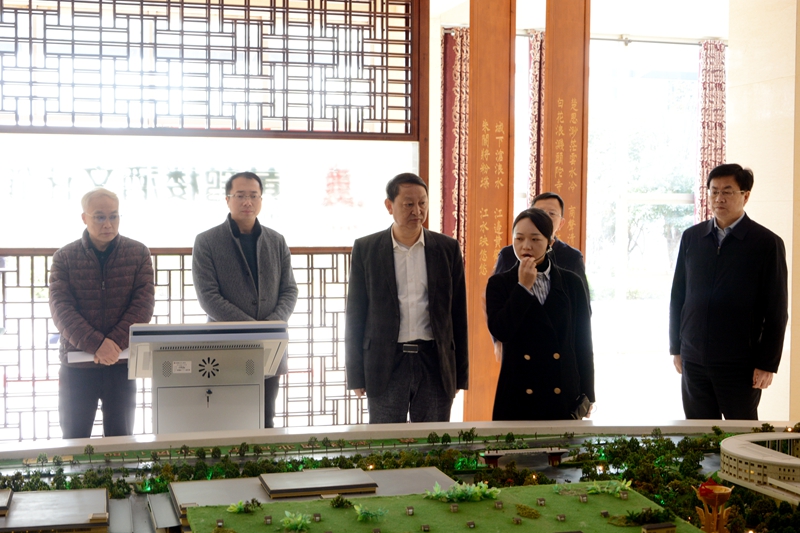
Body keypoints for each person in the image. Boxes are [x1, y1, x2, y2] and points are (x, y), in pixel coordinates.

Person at [345, 172, 468, 423]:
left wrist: (459, 374)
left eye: (422, 203)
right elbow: (355, 315)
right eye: (408, 204)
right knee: (386, 440)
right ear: (389, 206)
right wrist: (355, 374)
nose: (417, 211)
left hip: (434, 361)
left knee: (433, 440)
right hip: (385, 363)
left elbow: (458, 314)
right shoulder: (367, 249)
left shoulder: (447, 249)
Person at [669, 163, 788, 420]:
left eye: (727, 191)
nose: (719, 198)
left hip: (740, 364)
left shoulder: (766, 243)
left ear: (746, 195)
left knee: (740, 433)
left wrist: (767, 364)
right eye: (714, 191)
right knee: (698, 435)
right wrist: (676, 348)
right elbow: (678, 296)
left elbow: (777, 311)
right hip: (694, 359)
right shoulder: (692, 238)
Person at [192, 172, 298, 428]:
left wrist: (269, 327)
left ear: (261, 200)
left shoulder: (276, 240)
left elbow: (289, 291)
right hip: (224, 347)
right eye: (240, 195)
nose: (247, 202)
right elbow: (208, 297)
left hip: (269, 349)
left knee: (265, 419)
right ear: (227, 199)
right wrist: (252, 329)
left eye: (253, 196)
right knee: (225, 420)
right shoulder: (206, 241)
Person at [49, 188, 155, 438]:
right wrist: (97, 344)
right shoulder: (64, 257)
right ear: (84, 218)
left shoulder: (138, 253)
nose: (108, 224)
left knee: (121, 440)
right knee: (74, 440)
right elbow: (61, 308)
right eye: (99, 217)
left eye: (113, 216)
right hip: (77, 363)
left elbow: (143, 305)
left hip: (121, 362)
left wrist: (114, 344)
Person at [486, 208, 594, 421]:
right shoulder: (499, 283)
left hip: (563, 392)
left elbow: (583, 342)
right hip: (518, 392)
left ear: (550, 241)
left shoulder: (571, 282)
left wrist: (588, 395)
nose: (526, 246)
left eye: (535, 239)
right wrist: (522, 288)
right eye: (519, 238)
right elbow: (501, 331)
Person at [493, 192, 588, 291]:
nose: (544, 218)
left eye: (551, 213)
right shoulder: (507, 254)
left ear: (561, 223)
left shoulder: (572, 257)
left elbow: (581, 299)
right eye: (539, 212)